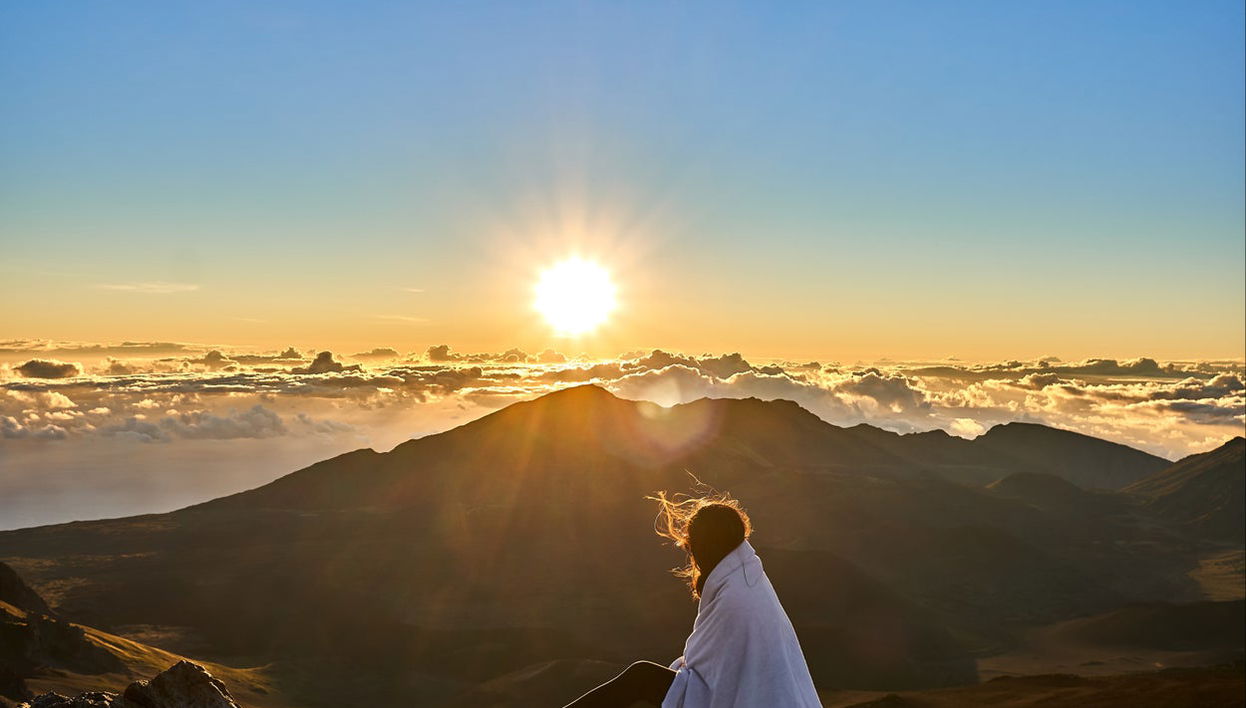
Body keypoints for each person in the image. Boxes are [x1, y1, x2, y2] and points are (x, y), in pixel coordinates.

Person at [562, 492, 822, 707]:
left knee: (640, 677)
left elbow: (705, 675)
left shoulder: (734, 597)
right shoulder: (750, 579)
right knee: (643, 677)